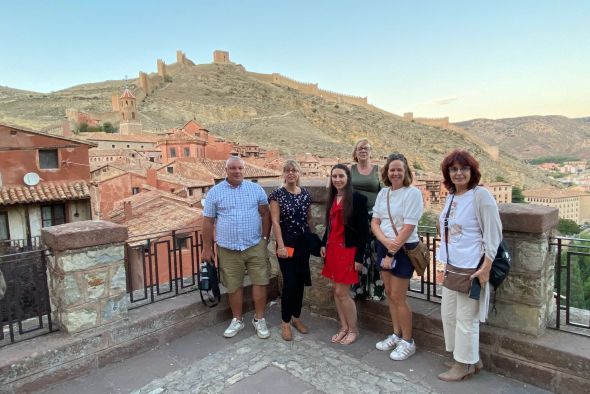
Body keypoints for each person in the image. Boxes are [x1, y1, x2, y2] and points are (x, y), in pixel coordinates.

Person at [436, 149, 502, 381]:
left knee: (466, 319)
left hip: (472, 268)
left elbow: (494, 234)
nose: (458, 173)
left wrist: (486, 267)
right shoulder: (452, 196)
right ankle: (468, 359)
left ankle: (462, 365)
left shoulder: (480, 196)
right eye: (453, 169)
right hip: (452, 266)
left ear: (472, 171)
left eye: (464, 168)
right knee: (450, 315)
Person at [202, 156, 272, 339]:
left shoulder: (256, 189)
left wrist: (265, 237)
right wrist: (207, 248)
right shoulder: (214, 192)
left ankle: (259, 319)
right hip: (228, 248)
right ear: (226, 170)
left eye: (240, 168)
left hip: (255, 244)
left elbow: (265, 214)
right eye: (233, 168)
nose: (237, 171)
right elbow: (208, 221)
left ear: (244, 169)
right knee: (233, 286)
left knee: (260, 281)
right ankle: (237, 320)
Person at [371, 153, 424, 361]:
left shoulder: (413, 194)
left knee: (399, 296)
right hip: (385, 246)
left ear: (406, 172)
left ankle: (408, 341)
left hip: (403, 249)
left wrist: (392, 249)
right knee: (389, 293)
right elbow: (375, 221)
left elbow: (409, 226)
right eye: (392, 169)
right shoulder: (383, 193)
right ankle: (397, 333)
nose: (395, 173)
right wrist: (385, 244)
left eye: (399, 170)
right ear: (386, 172)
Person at [320, 164, 368, 345]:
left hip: (347, 251)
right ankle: (344, 327)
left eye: (341, 176)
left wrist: (359, 257)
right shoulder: (333, 197)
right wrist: (324, 243)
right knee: (336, 290)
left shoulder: (357, 199)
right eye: (334, 177)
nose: (338, 180)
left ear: (348, 177)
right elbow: (330, 225)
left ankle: (353, 330)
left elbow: (363, 232)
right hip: (332, 249)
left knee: (342, 292)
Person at [269, 160, 313, 341]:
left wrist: (313, 240)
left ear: (299, 173)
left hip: (303, 244)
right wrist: (280, 245)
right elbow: (275, 222)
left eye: (294, 170)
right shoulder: (277, 195)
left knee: (301, 281)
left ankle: (296, 317)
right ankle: (285, 322)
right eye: (287, 170)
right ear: (283, 174)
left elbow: (309, 219)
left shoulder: (306, 194)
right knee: (290, 283)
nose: (291, 173)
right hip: (286, 244)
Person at [349, 139, 384, 301]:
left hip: (375, 216)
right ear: (355, 152)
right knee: (360, 253)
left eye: (366, 148)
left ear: (371, 151)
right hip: (357, 217)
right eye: (360, 148)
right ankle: (359, 290)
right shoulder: (351, 170)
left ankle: (376, 291)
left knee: (376, 252)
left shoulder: (378, 170)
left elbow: (385, 193)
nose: (363, 151)